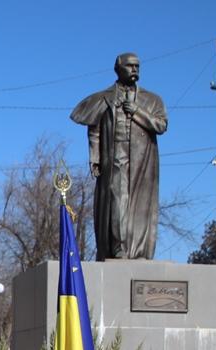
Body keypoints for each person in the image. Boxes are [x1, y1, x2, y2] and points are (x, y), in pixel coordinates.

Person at [71, 52, 168, 261]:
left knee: (140, 205)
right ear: (118, 68)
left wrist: (137, 112)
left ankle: (139, 251)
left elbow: (161, 125)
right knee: (118, 200)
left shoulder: (151, 100)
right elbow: (94, 127)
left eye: (137, 67)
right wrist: (95, 156)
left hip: (142, 159)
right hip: (115, 156)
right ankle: (118, 248)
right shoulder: (105, 97)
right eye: (130, 66)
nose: (135, 70)